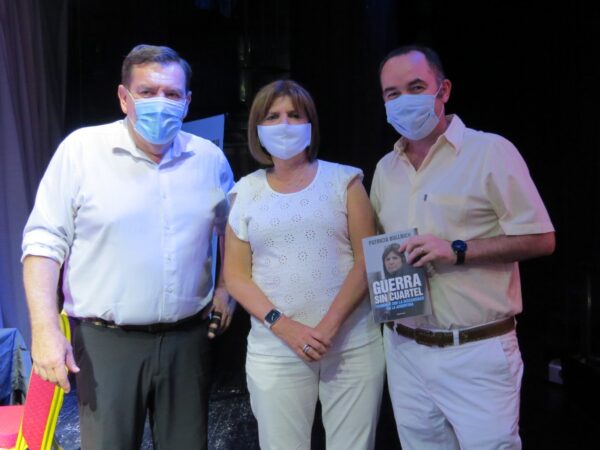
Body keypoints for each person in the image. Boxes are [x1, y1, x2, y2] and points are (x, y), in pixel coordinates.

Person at [21, 44, 235, 449]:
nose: (161, 102)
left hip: (187, 342)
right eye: (147, 91)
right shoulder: (82, 151)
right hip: (106, 345)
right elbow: (43, 243)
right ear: (124, 97)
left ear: (187, 101)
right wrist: (44, 329)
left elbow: (232, 231)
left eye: (172, 93)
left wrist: (225, 289)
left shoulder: (208, 159)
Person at [370, 45, 555, 450]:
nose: (404, 100)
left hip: (476, 350)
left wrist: (456, 249)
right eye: (392, 93)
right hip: (404, 348)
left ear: (444, 90)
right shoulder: (385, 169)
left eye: (415, 87)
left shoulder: (490, 151)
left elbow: (542, 239)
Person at [224, 80, 384, 450]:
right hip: (276, 348)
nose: (284, 124)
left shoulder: (345, 181)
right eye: (273, 116)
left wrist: (328, 327)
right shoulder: (244, 192)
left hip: (351, 344)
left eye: (294, 115)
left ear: (310, 123)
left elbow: (367, 259)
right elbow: (235, 276)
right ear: (258, 128)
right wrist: (285, 327)